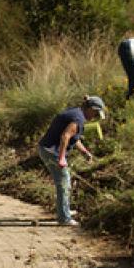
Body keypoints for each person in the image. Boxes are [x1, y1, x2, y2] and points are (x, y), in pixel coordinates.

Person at [38, 96, 106, 227]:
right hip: (51, 152)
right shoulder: (78, 118)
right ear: (91, 109)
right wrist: (62, 157)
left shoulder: (77, 114)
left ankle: (64, 211)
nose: (95, 116)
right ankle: (64, 218)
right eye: (96, 113)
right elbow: (65, 136)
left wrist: (85, 152)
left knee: (65, 181)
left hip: (48, 149)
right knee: (63, 183)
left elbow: (74, 138)